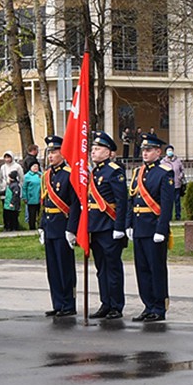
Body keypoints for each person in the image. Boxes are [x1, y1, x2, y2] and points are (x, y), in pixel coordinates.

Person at [76, 131, 130, 320]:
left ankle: (116, 305)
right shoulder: (95, 172)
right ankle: (105, 303)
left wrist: (120, 227)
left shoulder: (114, 171)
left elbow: (122, 201)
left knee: (112, 267)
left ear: (108, 152)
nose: (93, 152)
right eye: (93, 148)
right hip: (96, 227)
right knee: (101, 268)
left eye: (97, 149)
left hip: (109, 226)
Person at [130, 132, 177, 321]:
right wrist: (129, 224)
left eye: (149, 150)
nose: (145, 153)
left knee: (155, 268)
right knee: (142, 269)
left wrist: (161, 229)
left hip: (154, 228)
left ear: (158, 152)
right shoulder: (137, 173)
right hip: (139, 227)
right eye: (143, 150)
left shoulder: (165, 173)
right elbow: (132, 200)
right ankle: (148, 305)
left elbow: (166, 206)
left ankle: (159, 306)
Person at [37, 135, 79, 318]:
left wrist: (71, 229)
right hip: (50, 227)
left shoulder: (69, 174)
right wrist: (41, 226)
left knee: (64, 267)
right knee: (52, 268)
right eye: (49, 152)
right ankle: (58, 303)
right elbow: (44, 202)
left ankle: (68, 304)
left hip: (63, 226)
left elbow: (75, 204)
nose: (51, 155)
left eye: (54, 151)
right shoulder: (47, 176)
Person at [23, 159, 44, 229]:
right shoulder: (27, 176)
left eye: (37, 166)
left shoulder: (41, 175)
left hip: (40, 197)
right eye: (34, 166)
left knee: (41, 213)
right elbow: (24, 187)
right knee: (32, 214)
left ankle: (41, 226)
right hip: (31, 198)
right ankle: (32, 227)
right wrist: (24, 197)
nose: (36, 168)